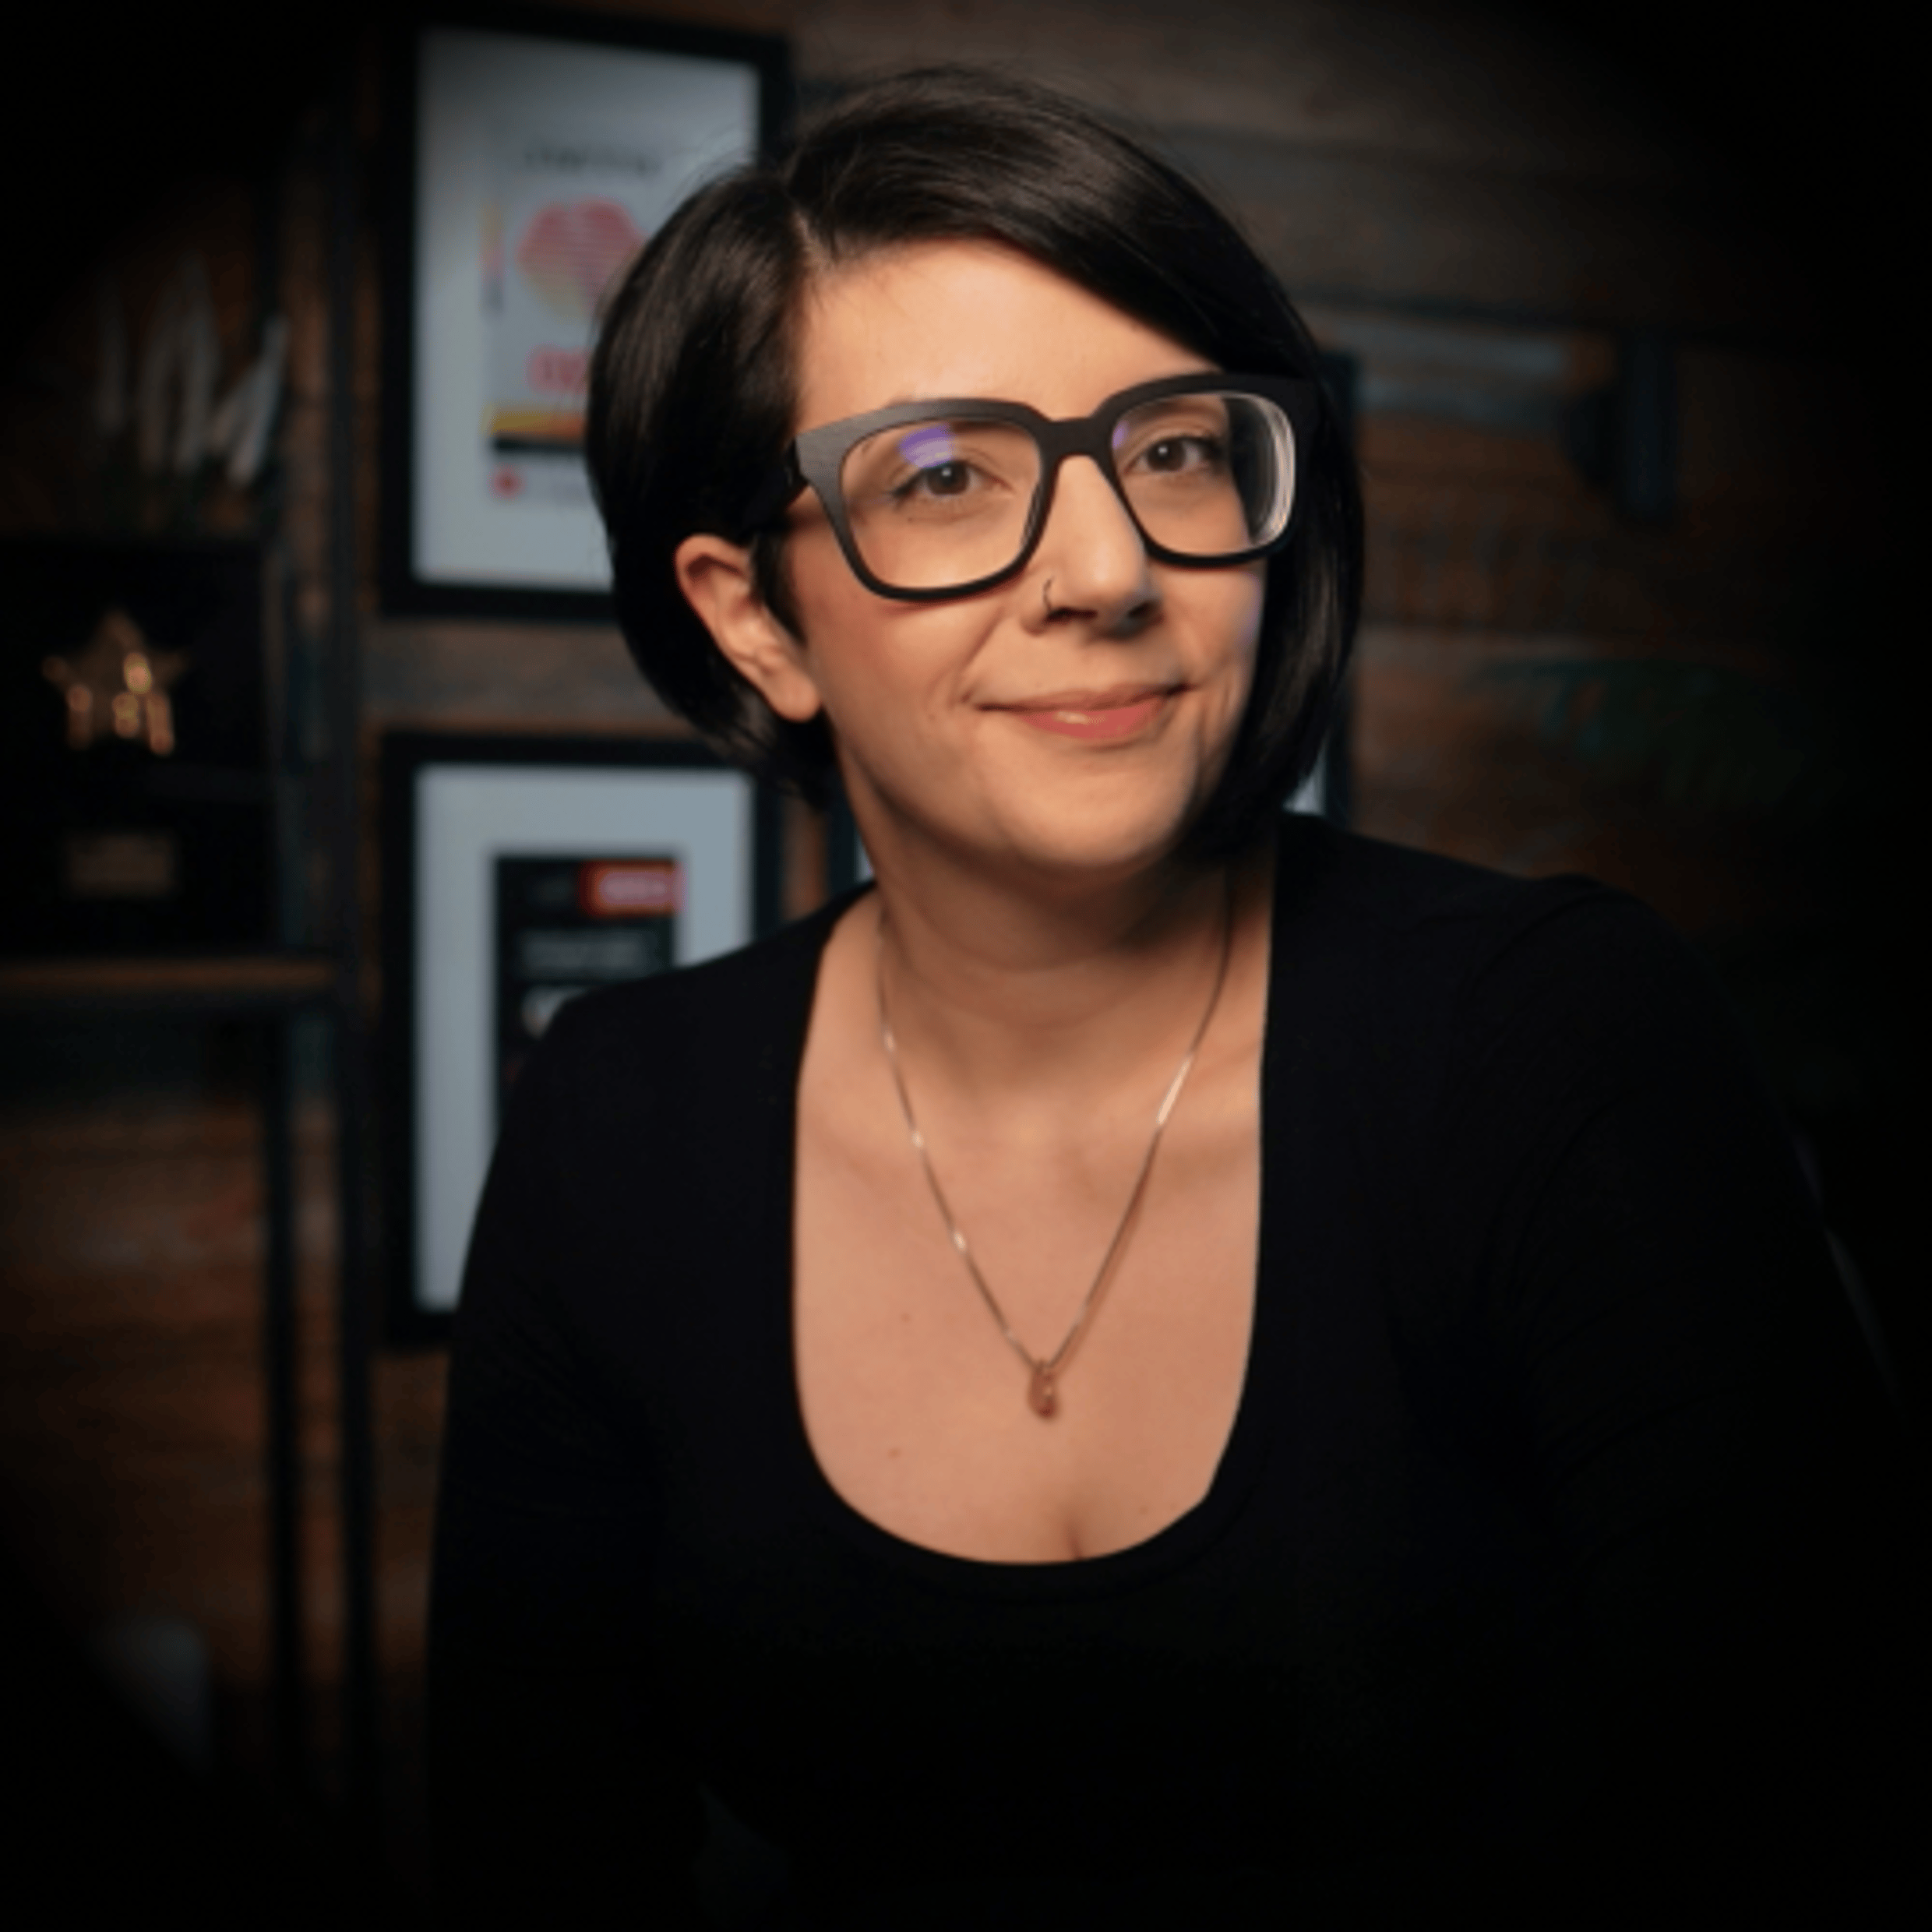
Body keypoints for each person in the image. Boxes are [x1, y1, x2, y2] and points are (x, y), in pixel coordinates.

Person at [425, 66, 1915, 1930]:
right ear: (753, 618)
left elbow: (1827, 1811)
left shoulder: (1550, 1041)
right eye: (950, 476)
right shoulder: (616, 1116)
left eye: (1175, 448)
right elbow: (531, 1855)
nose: (1115, 570)